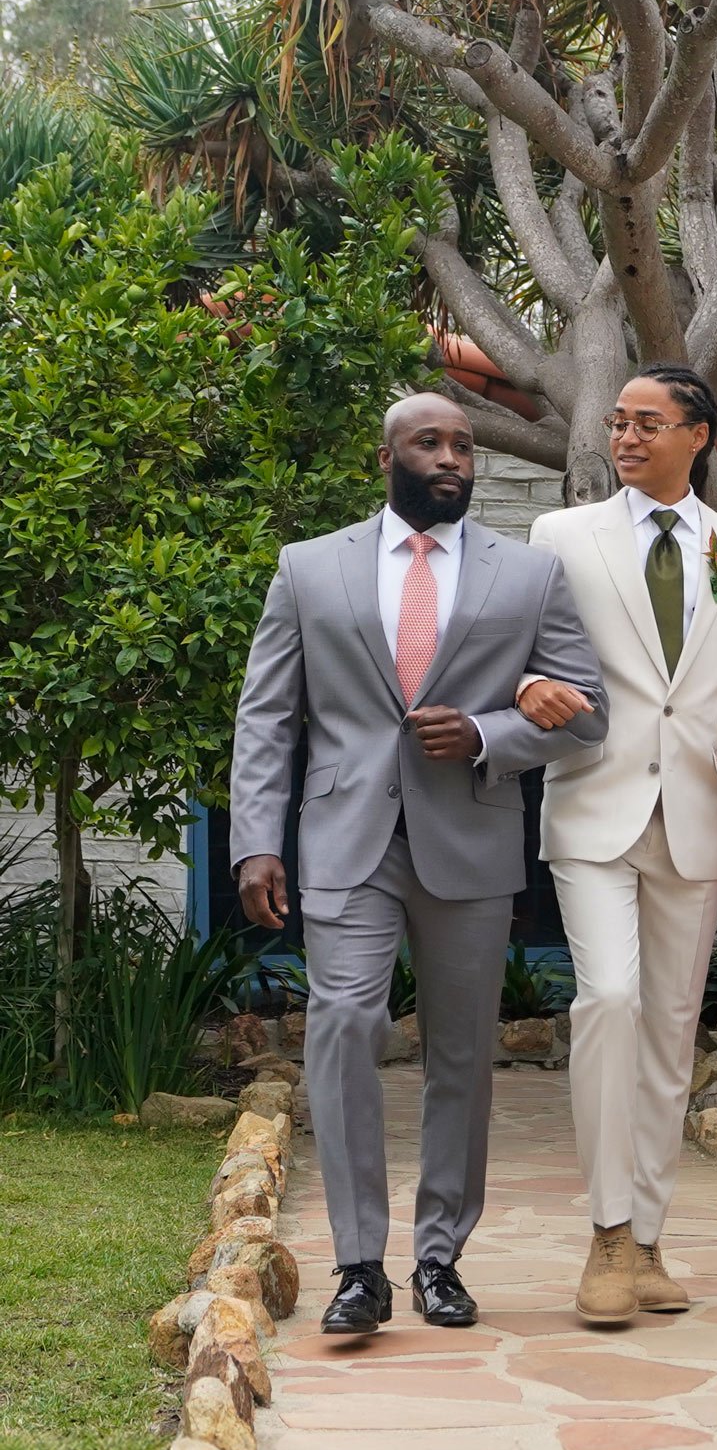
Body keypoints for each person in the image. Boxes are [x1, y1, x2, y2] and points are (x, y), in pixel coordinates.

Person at [229, 393, 607, 1337]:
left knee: (459, 1058)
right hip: (344, 839)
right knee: (345, 1024)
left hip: (469, 841)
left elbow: (588, 711)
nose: (451, 458)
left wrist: (487, 731)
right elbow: (268, 716)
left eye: (464, 446)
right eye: (430, 443)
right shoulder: (309, 569)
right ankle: (360, 1266)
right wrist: (256, 840)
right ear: (388, 454)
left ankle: (440, 1258)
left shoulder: (529, 575)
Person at [521, 364, 717, 1324]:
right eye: (616, 422)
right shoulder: (559, 536)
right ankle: (600, 1234)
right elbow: (518, 644)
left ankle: (645, 1241)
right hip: (592, 806)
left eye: (646, 423)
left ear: (699, 439)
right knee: (610, 1000)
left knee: (671, 1032)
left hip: (696, 809)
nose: (623, 438)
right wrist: (519, 691)